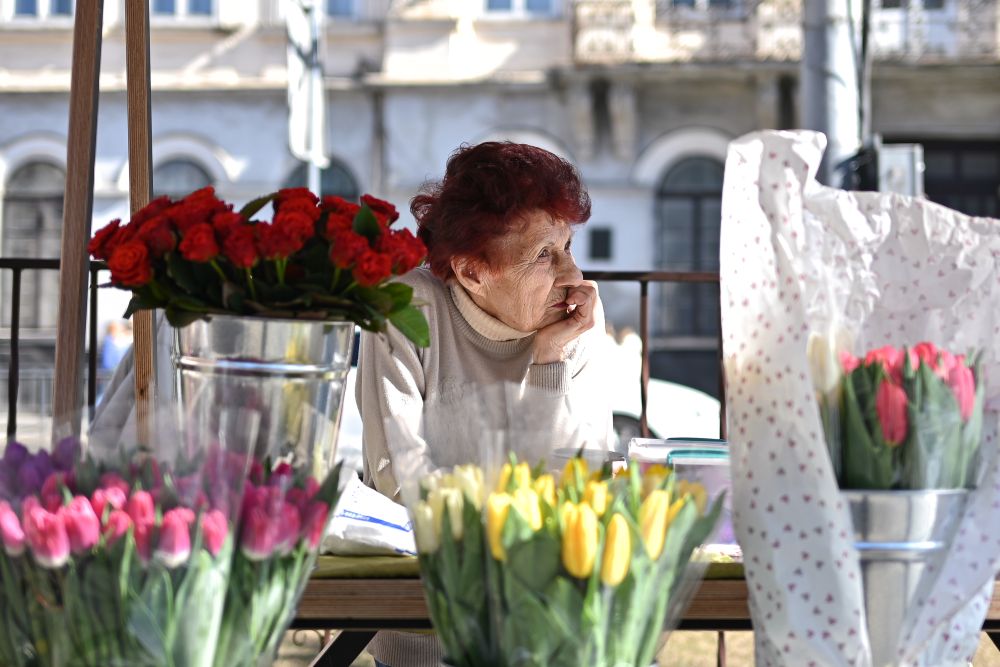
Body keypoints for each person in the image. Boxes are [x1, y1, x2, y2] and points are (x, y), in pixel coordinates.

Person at [355, 141, 614, 667]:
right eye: (544, 255)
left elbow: (580, 486)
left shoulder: (576, 318)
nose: (570, 273)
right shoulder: (405, 309)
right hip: (427, 634)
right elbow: (398, 481)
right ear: (472, 272)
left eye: (567, 246)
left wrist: (548, 360)